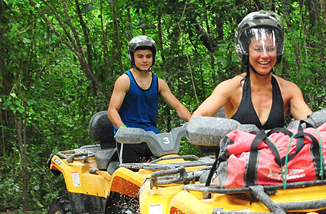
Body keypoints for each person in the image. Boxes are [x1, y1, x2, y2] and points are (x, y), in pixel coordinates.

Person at [192, 10, 312, 129]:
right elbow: (196, 121)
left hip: (277, 148)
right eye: (258, 49)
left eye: (270, 49)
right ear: (246, 51)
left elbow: (312, 126)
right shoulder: (230, 88)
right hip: (238, 148)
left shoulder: (289, 90)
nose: (265, 55)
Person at [107, 35, 191, 163]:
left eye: (148, 56)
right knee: (131, 177)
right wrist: (124, 130)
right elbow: (112, 110)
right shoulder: (124, 80)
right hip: (129, 138)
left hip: (153, 137)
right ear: (132, 57)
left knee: (169, 169)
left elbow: (178, 106)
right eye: (140, 56)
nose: (145, 60)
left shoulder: (159, 83)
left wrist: (193, 122)